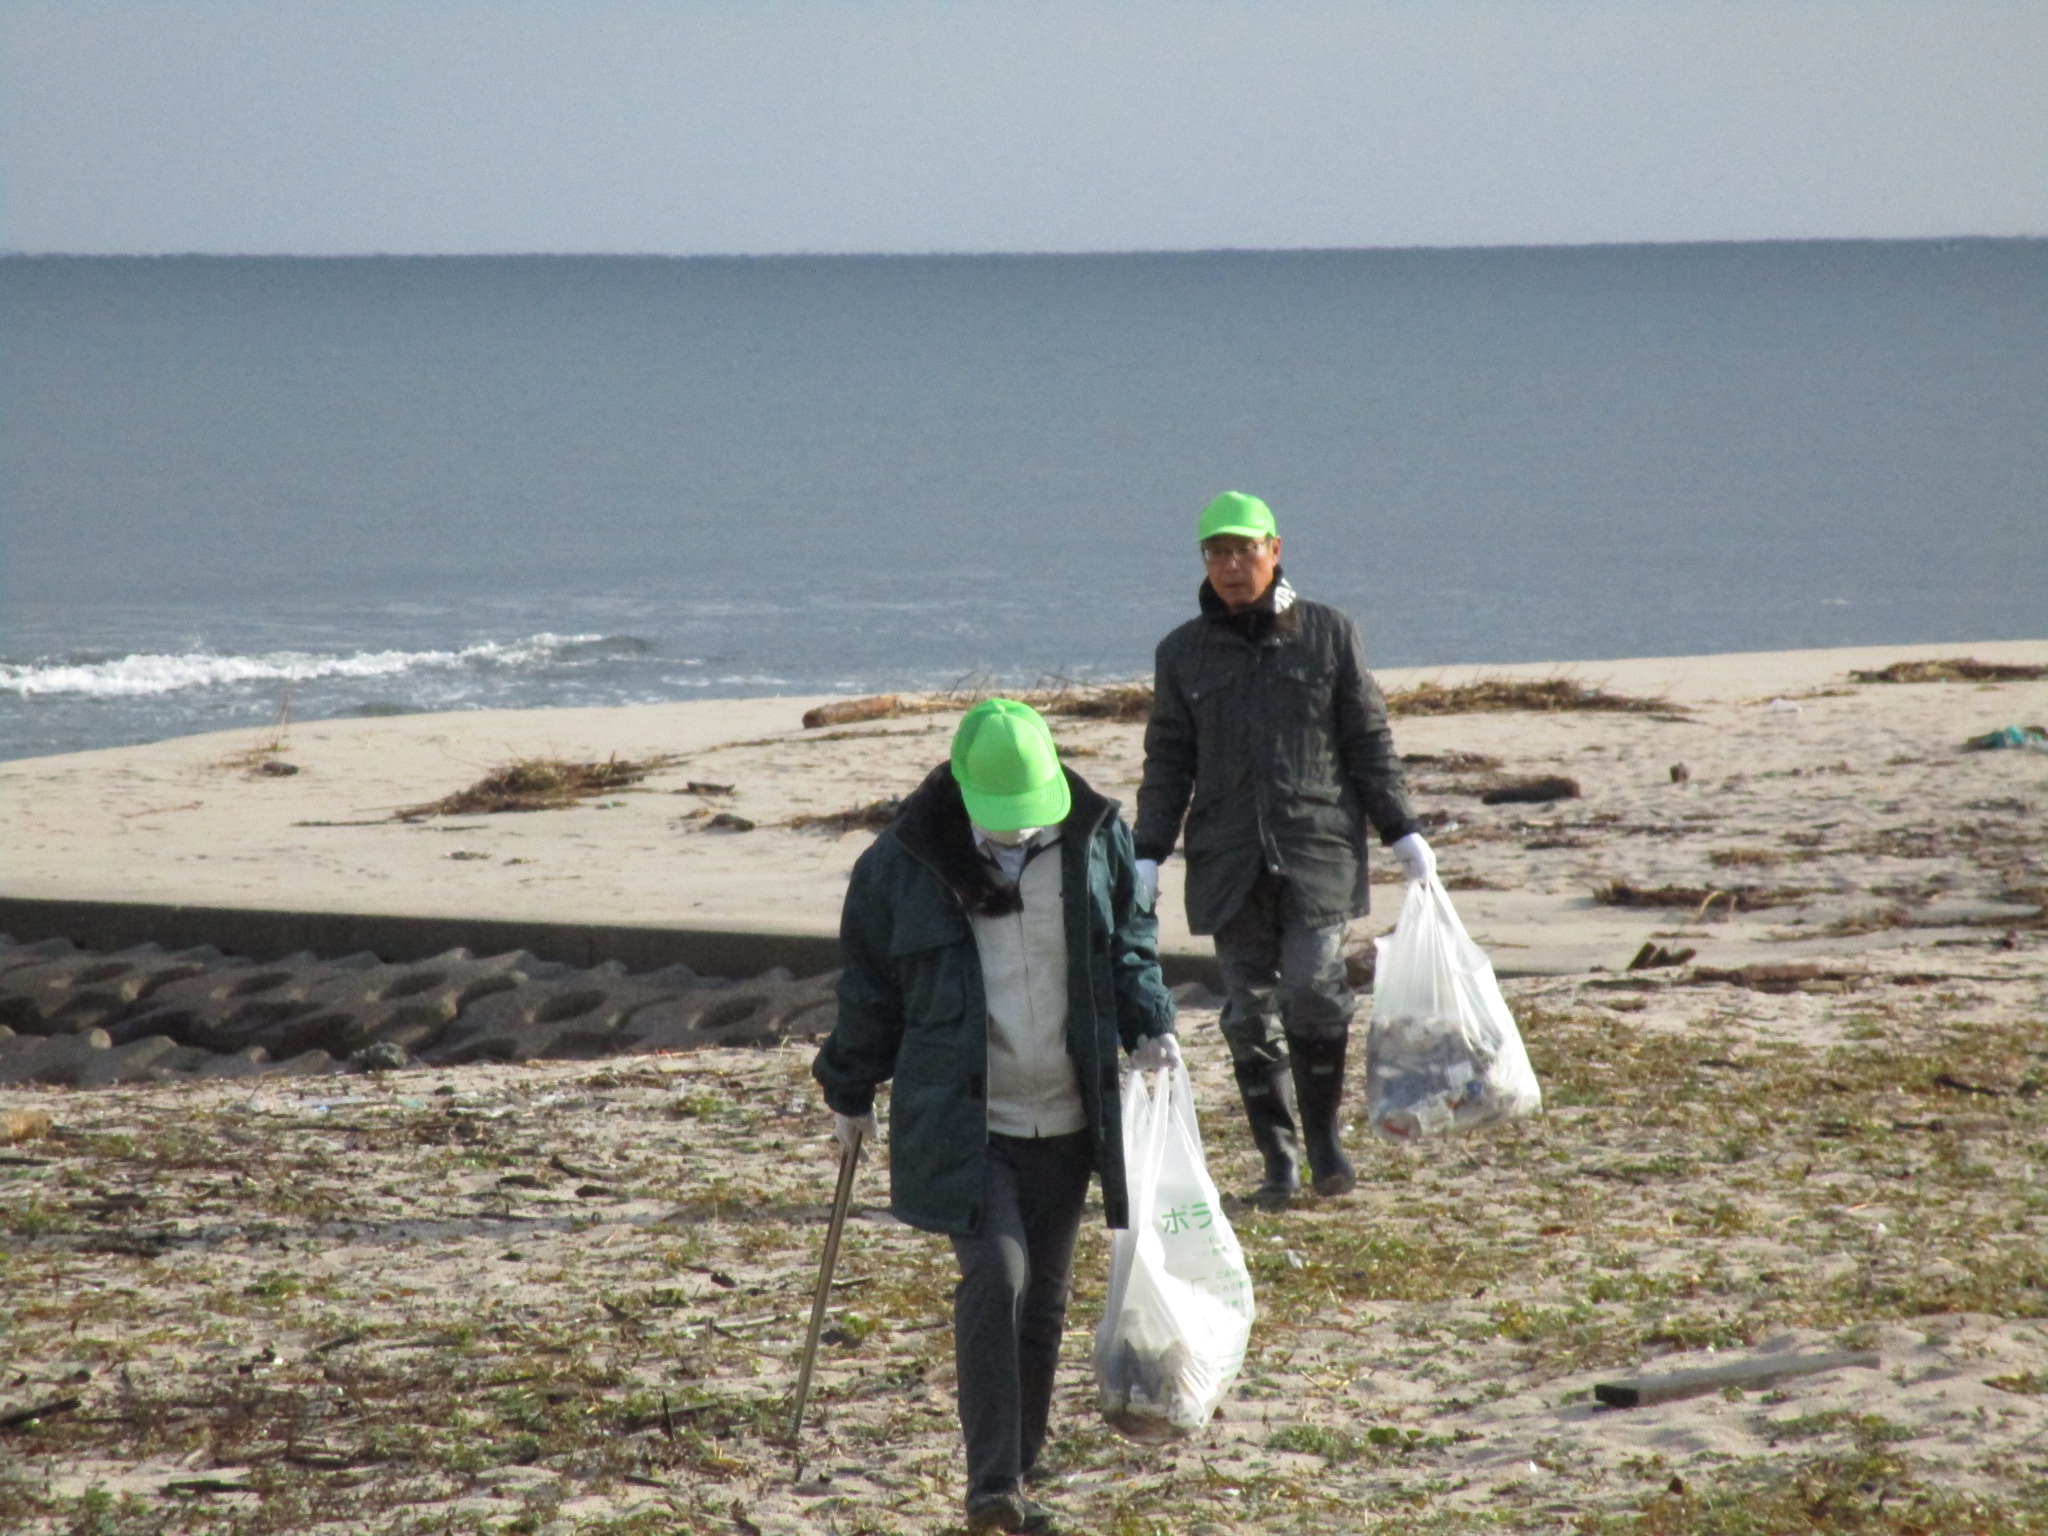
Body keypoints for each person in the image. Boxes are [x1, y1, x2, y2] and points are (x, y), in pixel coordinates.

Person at [814, 697, 1179, 1536]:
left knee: (1046, 1296)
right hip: (966, 1117)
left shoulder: (1095, 839)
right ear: (965, 793)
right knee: (999, 1276)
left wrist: (1150, 1020)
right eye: (1000, 825)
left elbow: (1129, 941)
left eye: (1028, 821)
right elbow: (870, 988)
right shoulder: (900, 865)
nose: (1016, 839)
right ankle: (990, 1491)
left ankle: (1019, 1469)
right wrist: (848, 1090)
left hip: (1071, 1112)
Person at [1134, 491, 1433, 1205]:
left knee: (1312, 989)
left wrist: (1404, 831)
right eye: (1218, 553)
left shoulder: (1329, 634)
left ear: (1275, 548)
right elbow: (1169, 759)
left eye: (1245, 550)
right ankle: (1278, 1156)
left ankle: (1326, 1141)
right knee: (1246, 1009)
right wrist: (1147, 850)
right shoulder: (1182, 653)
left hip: (1317, 850)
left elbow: (1368, 741)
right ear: (1204, 561)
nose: (1233, 566)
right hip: (1228, 858)